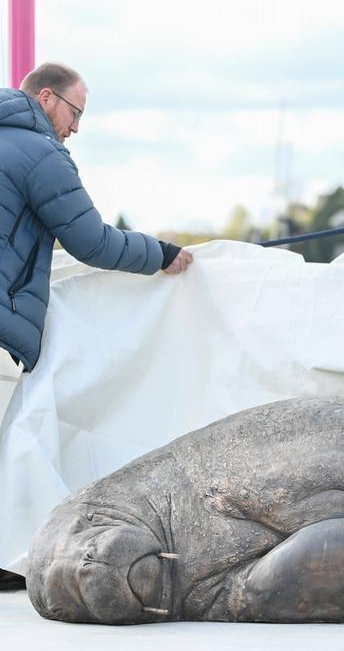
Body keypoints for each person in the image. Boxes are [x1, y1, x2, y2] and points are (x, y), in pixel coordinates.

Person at [0, 62, 193, 590]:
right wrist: (161, 255)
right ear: (46, 97)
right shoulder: (40, 154)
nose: (77, 128)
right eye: (76, 111)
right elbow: (91, 241)